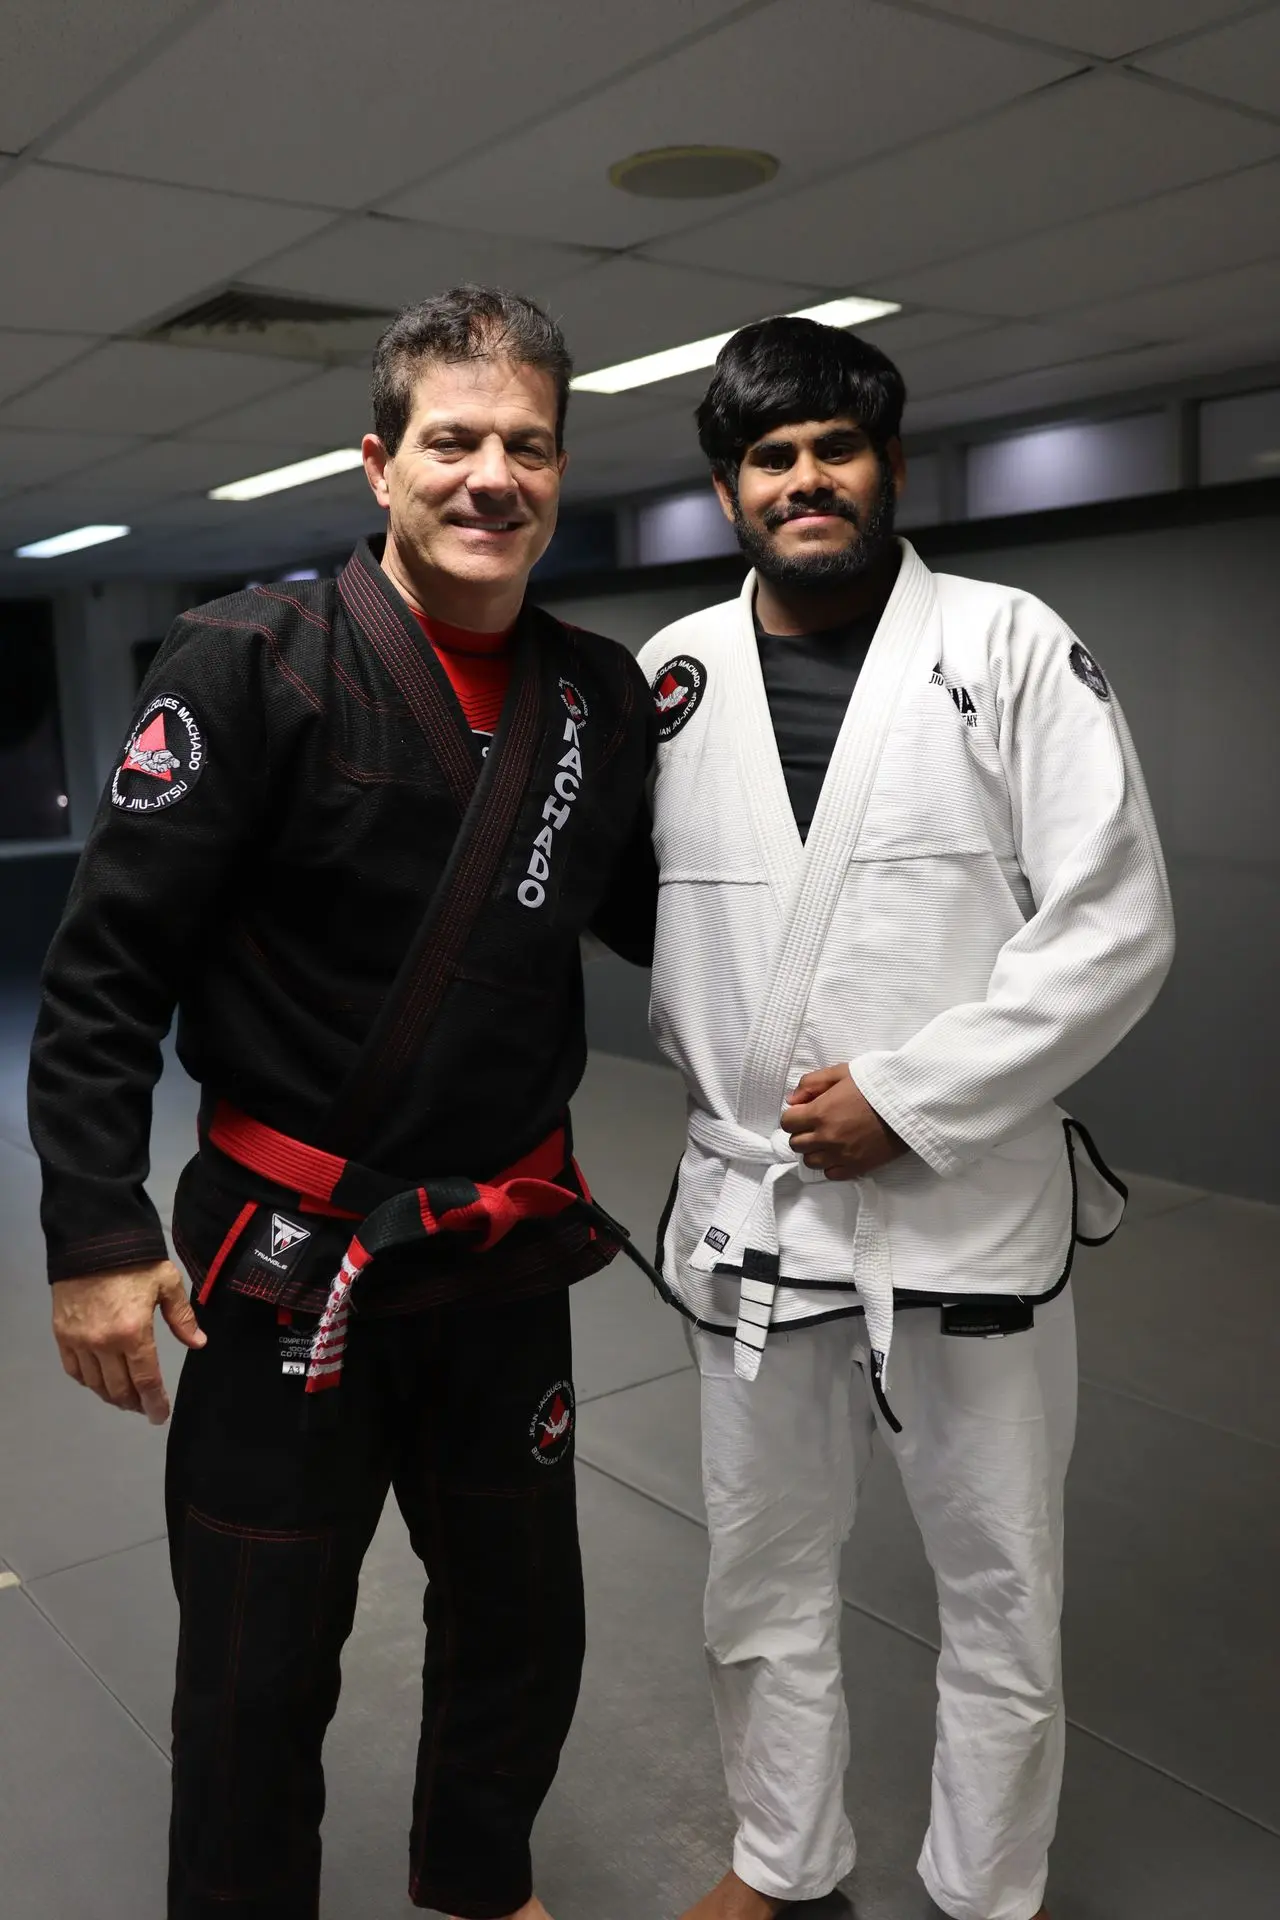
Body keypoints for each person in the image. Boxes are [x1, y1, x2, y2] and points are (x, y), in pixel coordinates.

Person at [29, 286, 658, 1920]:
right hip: (283, 1253)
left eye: (526, 445)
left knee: (525, 1624)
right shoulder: (252, 663)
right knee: (258, 1654)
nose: (490, 477)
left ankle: (476, 1882)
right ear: (379, 463)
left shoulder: (594, 698)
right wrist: (94, 1227)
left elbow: (671, 926)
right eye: (453, 442)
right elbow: (107, 972)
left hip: (503, 1247)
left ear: (559, 471)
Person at [636, 317, 1175, 1920]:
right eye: (770, 455)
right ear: (732, 487)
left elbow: (1117, 920)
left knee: (1000, 1579)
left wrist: (910, 1095)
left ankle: (984, 1888)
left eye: (834, 447)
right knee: (760, 1571)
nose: (806, 478)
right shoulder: (671, 677)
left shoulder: (1008, 643)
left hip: (962, 1202)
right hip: (753, 1214)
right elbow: (630, 916)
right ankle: (781, 1854)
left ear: (887, 463)